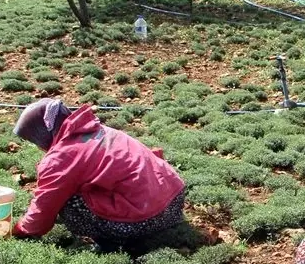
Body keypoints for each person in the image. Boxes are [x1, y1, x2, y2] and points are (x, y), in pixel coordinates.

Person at [11, 98, 186, 249]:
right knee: (75, 186)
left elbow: (44, 208)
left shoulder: (62, 156)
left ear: (42, 133)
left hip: (145, 218)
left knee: (66, 200)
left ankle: (113, 243)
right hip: (173, 204)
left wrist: (19, 229)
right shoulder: (99, 131)